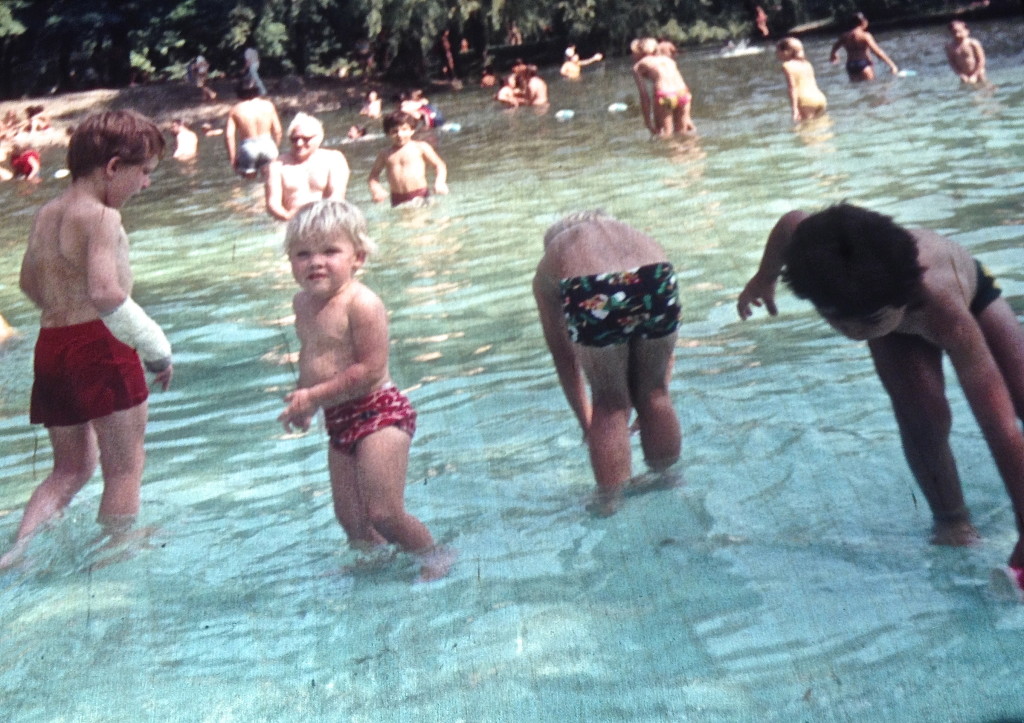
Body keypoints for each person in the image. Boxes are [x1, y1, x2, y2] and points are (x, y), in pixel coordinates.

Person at [737, 203, 1024, 588]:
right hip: (887, 310)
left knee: (1018, 394)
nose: (853, 332)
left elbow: (997, 423)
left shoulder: (946, 311)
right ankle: (951, 520)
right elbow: (792, 222)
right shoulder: (823, 251)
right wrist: (764, 277)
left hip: (961, 293)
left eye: (865, 322)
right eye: (836, 319)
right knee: (922, 420)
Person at [2, 110, 173, 568]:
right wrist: (156, 349)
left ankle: (17, 552)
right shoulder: (100, 218)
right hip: (102, 345)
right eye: (144, 174)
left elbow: (27, 285)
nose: (146, 185)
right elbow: (104, 292)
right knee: (125, 467)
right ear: (114, 167)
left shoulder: (45, 213)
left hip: (53, 346)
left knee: (70, 469)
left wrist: (65, 309)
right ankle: (117, 556)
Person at [277, 199, 452, 582]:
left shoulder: (363, 303)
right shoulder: (302, 304)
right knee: (351, 518)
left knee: (384, 512)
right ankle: (377, 564)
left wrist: (314, 396)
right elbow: (314, 356)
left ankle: (434, 554)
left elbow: (369, 370)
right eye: (302, 254)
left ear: (357, 257)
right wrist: (303, 401)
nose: (315, 262)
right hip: (338, 416)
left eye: (330, 251)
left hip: (380, 413)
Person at [533, 210, 682, 512]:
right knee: (654, 396)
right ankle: (668, 481)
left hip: (593, 286)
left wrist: (587, 424)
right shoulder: (632, 232)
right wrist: (660, 389)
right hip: (657, 275)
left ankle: (610, 502)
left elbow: (563, 356)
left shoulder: (556, 251)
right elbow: (668, 355)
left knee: (610, 404)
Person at [264, 112, 350, 221]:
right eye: (294, 139)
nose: (299, 143)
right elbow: (272, 204)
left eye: (306, 138)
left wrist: (322, 218)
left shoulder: (334, 159)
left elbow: (337, 196)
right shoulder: (276, 166)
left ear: (319, 138)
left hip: (326, 219)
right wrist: (287, 217)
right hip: (291, 223)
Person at [368, 110, 448, 208]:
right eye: (394, 131)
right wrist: (376, 190)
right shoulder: (385, 154)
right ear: (388, 133)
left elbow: (439, 165)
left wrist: (440, 182)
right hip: (397, 199)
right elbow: (373, 176)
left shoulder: (420, 147)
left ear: (412, 130)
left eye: (404, 129)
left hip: (421, 195)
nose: (400, 134)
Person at [632, 37, 695, 136]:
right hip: (683, 94)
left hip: (665, 95)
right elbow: (682, 84)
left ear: (639, 52)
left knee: (665, 135)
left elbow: (644, 96)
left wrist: (648, 122)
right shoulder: (668, 60)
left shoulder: (638, 66)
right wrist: (687, 116)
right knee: (684, 134)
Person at [224, 76, 282, 178]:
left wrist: (232, 158)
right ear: (257, 90)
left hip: (248, 147)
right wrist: (275, 147)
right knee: (271, 181)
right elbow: (278, 131)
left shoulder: (235, 110)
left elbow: (229, 136)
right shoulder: (268, 105)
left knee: (249, 185)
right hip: (268, 145)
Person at [829, 12, 899, 81]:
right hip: (863, 64)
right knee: (872, 87)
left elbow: (835, 47)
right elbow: (877, 51)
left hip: (850, 65)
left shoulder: (844, 36)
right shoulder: (865, 36)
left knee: (857, 89)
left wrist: (833, 54)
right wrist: (892, 65)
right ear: (864, 22)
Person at [777, 37, 827, 123]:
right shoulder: (807, 63)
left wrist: (794, 109)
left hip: (805, 100)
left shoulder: (787, 65)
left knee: (806, 131)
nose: (777, 54)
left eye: (778, 51)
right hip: (820, 98)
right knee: (821, 129)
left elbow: (792, 87)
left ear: (786, 52)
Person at [945, 20, 987, 85]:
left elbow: (981, 60)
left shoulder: (973, 43)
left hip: (978, 73)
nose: (957, 34)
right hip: (964, 76)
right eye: (954, 32)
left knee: (984, 89)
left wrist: (975, 75)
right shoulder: (950, 47)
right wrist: (961, 74)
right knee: (966, 92)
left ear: (967, 31)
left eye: (960, 31)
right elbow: (952, 62)